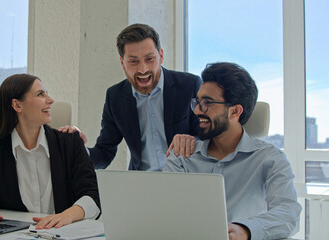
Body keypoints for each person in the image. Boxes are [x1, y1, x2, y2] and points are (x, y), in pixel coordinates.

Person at [164, 62, 301, 240]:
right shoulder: (182, 156)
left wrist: (245, 230)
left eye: (207, 103)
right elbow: (166, 210)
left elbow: (289, 214)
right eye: (197, 102)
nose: (197, 110)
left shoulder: (270, 159)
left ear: (235, 111)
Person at [0, 74, 100, 230]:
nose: (50, 100)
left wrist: (66, 216)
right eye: (40, 94)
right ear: (17, 105)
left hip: (62, 234)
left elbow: (93, 196)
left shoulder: (70, 143)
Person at [60, 23, 201, 171]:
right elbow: (104, 152)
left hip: (186, 178)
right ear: (122, 63)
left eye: (149, 59)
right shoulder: (115, 97)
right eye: (133, 61)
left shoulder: (190, 85)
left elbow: (210, 141)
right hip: (141, 184)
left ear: (161, 56)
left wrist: (192, 141)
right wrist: (80, 150)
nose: (143, 69)